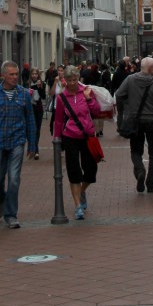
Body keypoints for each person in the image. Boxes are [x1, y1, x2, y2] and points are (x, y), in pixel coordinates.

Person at [0, 61, 37, 229]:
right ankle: (1, 199)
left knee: (14, 179)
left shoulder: (24, 94)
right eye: (11, 74)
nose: (14, 77)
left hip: (17, 142)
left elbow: (30, 121)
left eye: (16, 74)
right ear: (3, 75)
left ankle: (11, 215)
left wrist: (32, 145)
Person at [53, 66, 101, 220]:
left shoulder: (86, 91)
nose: (73, 83)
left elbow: (96, 111)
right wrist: (56, 139)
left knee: (91, 170)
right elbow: (59, 120)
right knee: (74, 171)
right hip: (70, 137)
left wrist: (89, 99)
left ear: (78, 77)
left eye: (75, 79)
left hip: (87, 135)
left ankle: (81, 191)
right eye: (69, 80)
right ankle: (78, 206)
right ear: (65, 80)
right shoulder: (61, 97)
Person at [115, 57, 153, 193]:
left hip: (135, 120)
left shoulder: (130, 79)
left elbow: (119, 94)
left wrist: (128, 105)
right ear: (151, 69)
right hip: (151, 121)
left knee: (136, 150)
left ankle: (139, 170)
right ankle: (151, 184)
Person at [28, 67, 46, 159]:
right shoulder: (27, 84)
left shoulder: (41, 83)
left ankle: (35, 149)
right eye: (33, 74)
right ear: (30, 75)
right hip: (30, 109)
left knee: (37, 129)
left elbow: (43, 97)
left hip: (38, 109)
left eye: (36, 74)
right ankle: (34, 149)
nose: (34, 75)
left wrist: (39, 88)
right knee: (32, 129)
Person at [48, 64, 66, 135]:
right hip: (56, 107)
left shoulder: (67, 81)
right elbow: (51, 94)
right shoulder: (55, 80)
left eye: (61, 71)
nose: (59, 72)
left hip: (65, 107)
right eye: (58, 70)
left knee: (63, 127)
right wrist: (55, 82)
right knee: (55, 127)